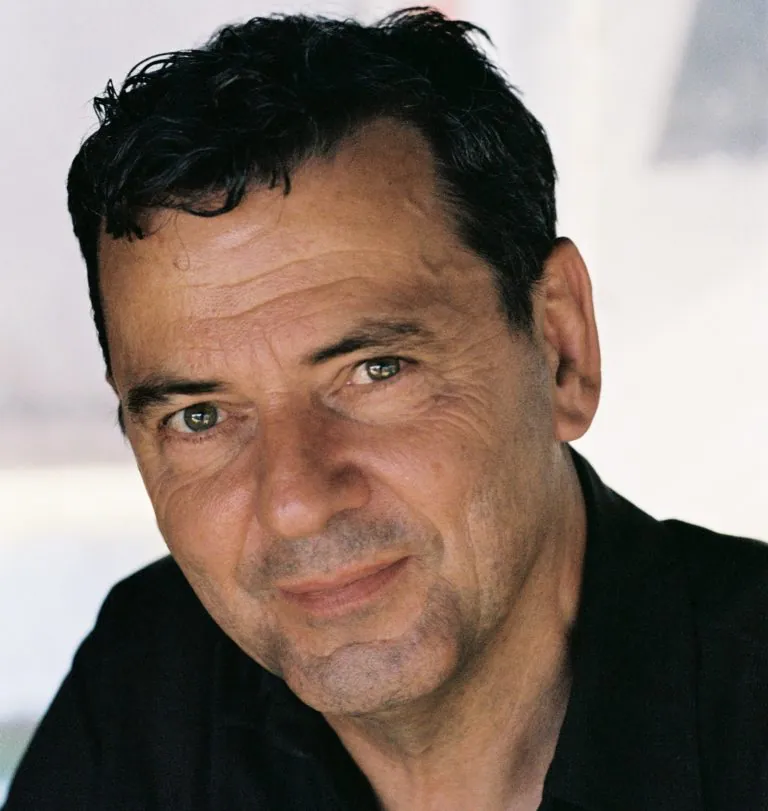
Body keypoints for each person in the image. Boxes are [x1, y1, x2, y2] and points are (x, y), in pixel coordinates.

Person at [5, 8, 768, 811]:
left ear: (560, 346)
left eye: (375, 370)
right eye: (199, 415)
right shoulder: (152, 688)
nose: (295, 502)